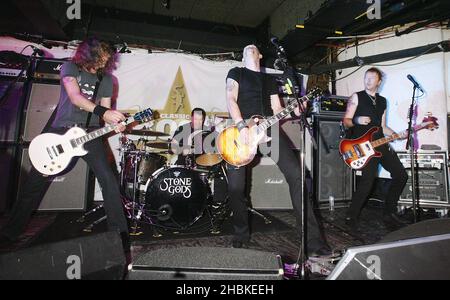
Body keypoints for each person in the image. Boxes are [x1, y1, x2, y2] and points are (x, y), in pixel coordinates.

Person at [0, 38, 130, 251]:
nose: (102, 63)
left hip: (89, 135)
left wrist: (115, 123)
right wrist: (103, 112)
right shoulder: (70, 67)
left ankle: (120, 235)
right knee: (34, 183)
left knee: (109, 180)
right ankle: (10, 232)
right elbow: (75, 97)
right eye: (100, 58)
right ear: (88, 55)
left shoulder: (107, 79)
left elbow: (105, 113)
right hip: (61, 131)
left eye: (106, 60)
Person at [225, 45, 330, 257]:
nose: (249, 49)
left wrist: (298, 108)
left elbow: (277, 111)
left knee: (297, 176)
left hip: (268, 129)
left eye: (253, 48)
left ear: (260, 55)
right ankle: (241, 233)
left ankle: (313, 240)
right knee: (236, 187)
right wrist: (241, 125)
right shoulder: (236, 72)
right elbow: (230, 99)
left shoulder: (270, 79)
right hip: (241, 131)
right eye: (246, 49)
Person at [343, 67, 409, 232]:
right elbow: (346, 121)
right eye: (366, 77)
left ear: (379, 82)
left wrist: (396, 135)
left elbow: (383, 126)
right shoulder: (356, 97)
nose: (368, 80)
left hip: (381, 143)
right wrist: (357, 119)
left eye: (372, 78)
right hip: (364, 146)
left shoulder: (382, 101)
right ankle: (351, 215)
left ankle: (389, 212)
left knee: (401, 175)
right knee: (368, 181)